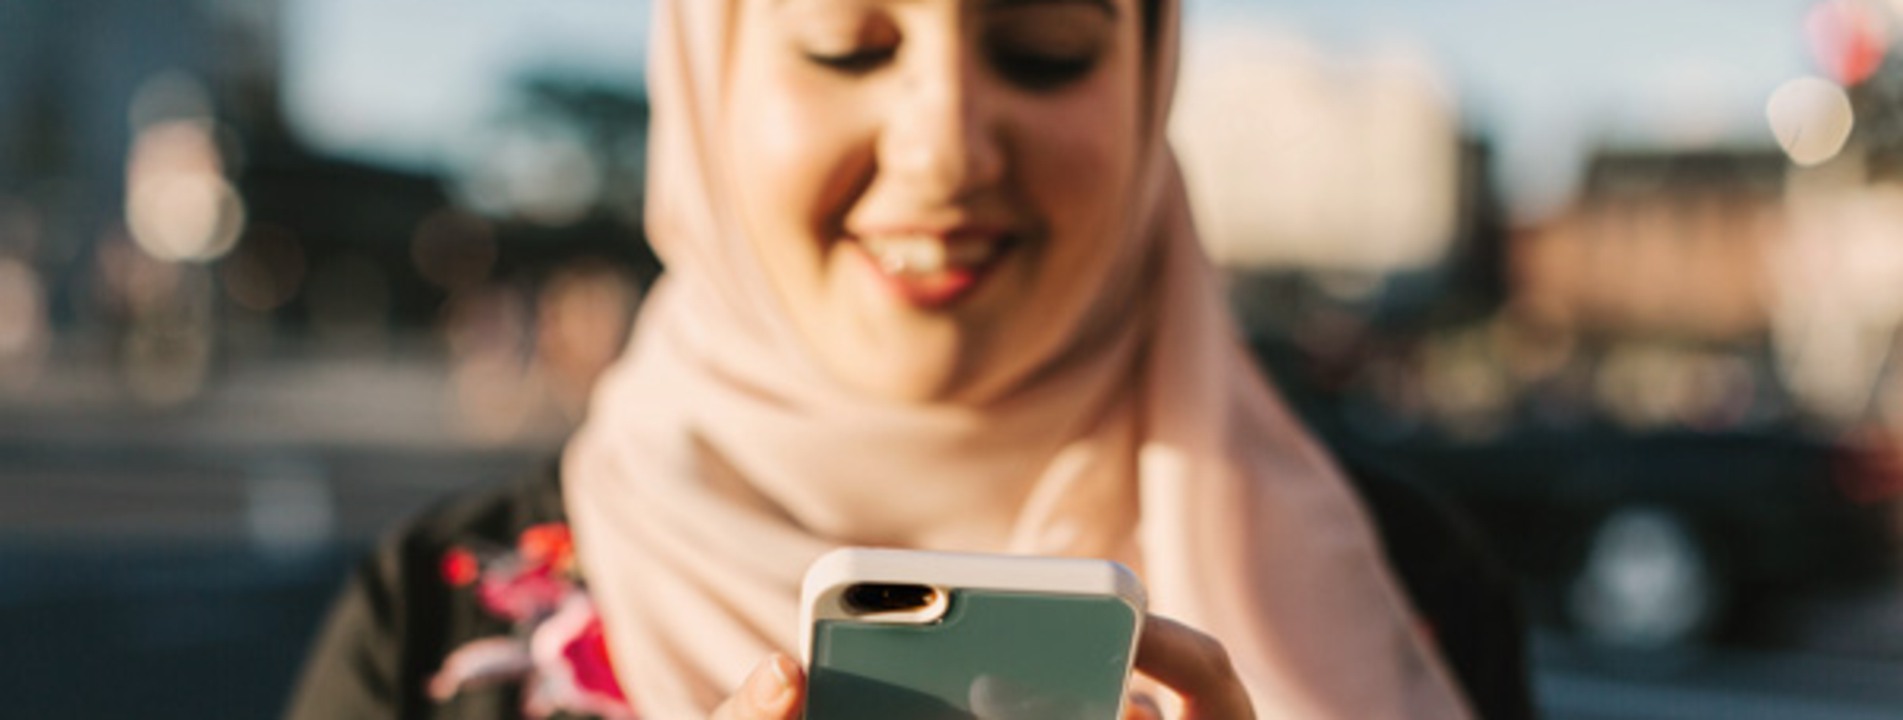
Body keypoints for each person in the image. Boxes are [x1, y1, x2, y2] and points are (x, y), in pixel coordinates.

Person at [285, 0, 1532, 718]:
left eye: (1042, 45)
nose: (944, 145)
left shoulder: (1401, 587)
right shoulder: (427, 629)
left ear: (1153, 77)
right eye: (845, 42)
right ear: (710, 75)